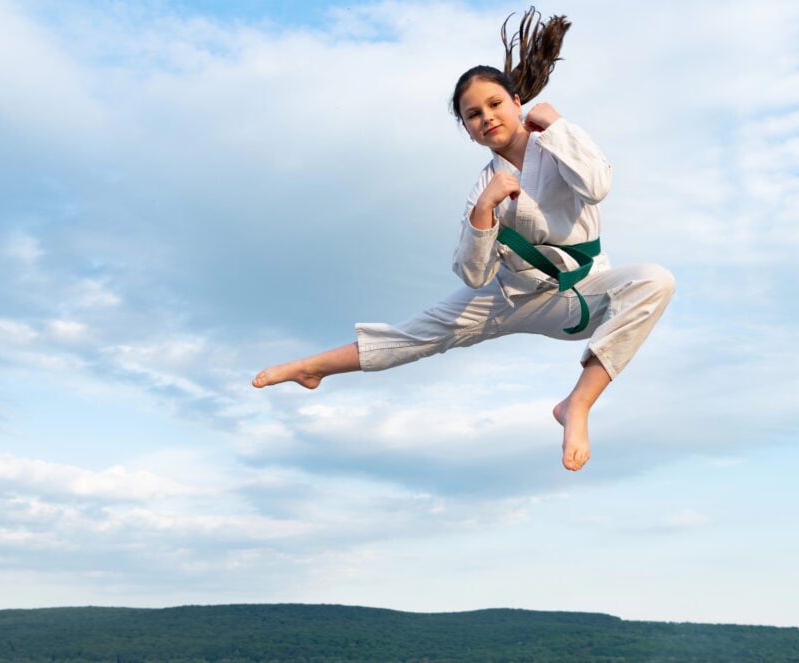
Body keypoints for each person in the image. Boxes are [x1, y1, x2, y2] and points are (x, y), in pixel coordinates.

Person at [252, 8, 674, 472]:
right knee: (417, 333)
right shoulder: (483, 187)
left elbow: (597, 185)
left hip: (581, 291)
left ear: (517, 102)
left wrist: (557, 126)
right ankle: (311, 368)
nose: (486, 118)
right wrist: (484, 210)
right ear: (468, 130)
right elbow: (474, 275)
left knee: (654, 281)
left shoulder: (557, 142)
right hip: (511, 295)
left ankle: (577, 403)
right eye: (473, 115)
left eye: (494, 104)